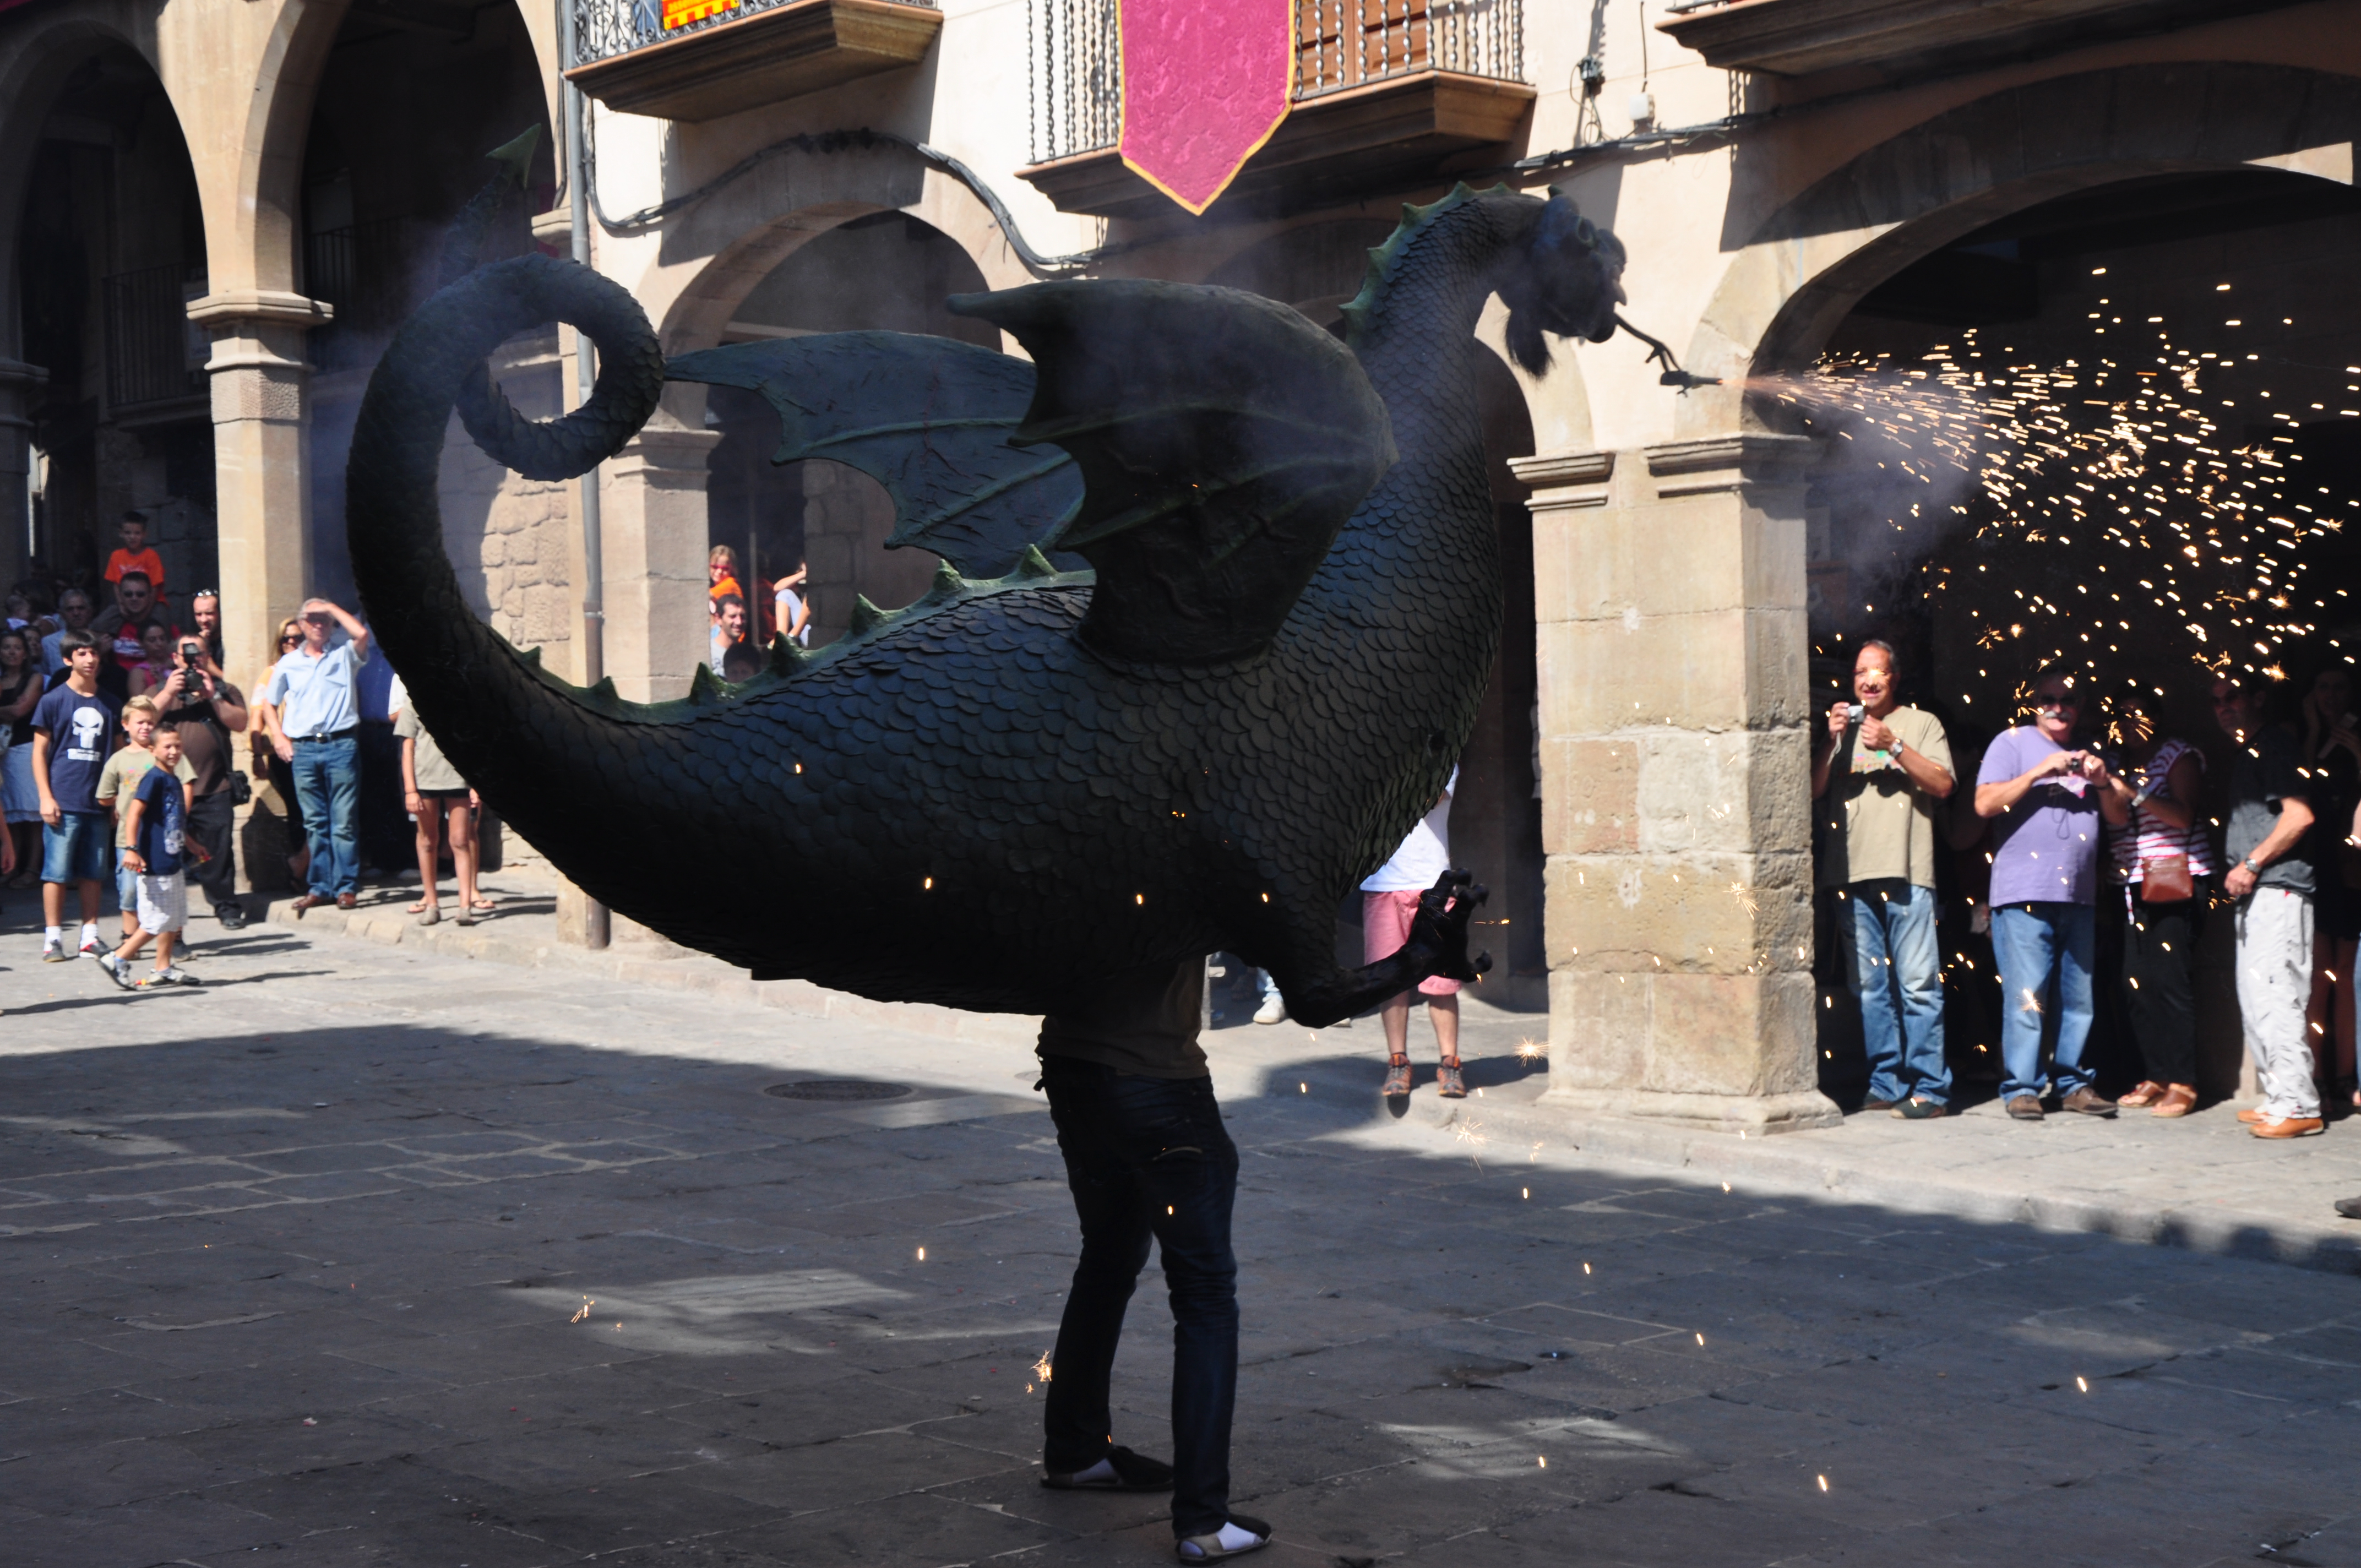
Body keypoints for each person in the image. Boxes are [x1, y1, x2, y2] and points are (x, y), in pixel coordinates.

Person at [1033, 957, 1271, 1564]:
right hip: (1159, 1080)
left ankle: (1078, 1451)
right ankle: (1203, 1520)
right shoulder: (1181, 859)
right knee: (1206, 1295)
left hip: (1072, 1063)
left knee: (1107, 1258)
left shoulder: (1073, 858)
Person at [1973, 666, 2132, 1121]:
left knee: (2077, 997)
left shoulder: (2093, 755)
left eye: (2068, 700)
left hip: (2078, 897)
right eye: (2048, 699)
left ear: (2080, 706)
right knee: (2028, 995)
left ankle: (2073, 1084)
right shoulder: (2012, 743)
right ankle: (2022, 1086)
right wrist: (2040, 771)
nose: (2058, 708)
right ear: (2033, 702)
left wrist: (2103, 782)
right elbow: (1985, 804)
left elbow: (2120, 817)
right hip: (2023, 894)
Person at [1811, 640, 1957, 1118]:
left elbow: (1943, 784)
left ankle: (1931, 1089)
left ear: (1895, 678)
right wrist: (1831, 741)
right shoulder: (1842, 731)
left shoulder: (1921, 723)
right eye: (1860, 673)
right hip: (1850, 875)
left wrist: (1894, 744)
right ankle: (1886, 1081)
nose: (1868, 681)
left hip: (1907, 872)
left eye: (1878, 672)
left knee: (1917, 985)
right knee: (1871, 988)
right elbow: (1812, 792)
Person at [2213, 673, 2321, 1138]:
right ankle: (2281, 1097)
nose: (2223, 707)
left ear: (2258, 698)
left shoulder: (2273, 743)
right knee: (2256, 998)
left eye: (2232, 696)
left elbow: (2300, 814)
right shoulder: (2254, 749)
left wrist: (2252, 863)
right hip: (2259, 890)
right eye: (2216, 701)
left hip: (2278, 887)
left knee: (2276, 995)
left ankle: (2298, 1105)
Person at [2103, 683, 2213, 1119]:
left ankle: (2183, 1081)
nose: (2132, 721)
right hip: (2128, 883)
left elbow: (2185, 815)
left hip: (2175, 880)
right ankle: (2156, 1074)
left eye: (2140, 712)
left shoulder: (2177, 755)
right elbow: (2111, 817)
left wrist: (2139, 794)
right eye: (2124, 713)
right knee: (2136, 981)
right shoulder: (2113, 764)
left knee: (2170, 981)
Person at [260, 598, 372, 914]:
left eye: (324, 620)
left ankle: (346, 886)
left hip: (341, 746)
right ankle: (320, 886)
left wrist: (332, 608)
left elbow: (361, 635)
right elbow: (270, 703)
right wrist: (279, 737)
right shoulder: (289, 664)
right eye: (312, 620)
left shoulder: (344, 655)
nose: (318, 624)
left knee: (344, 822)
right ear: (303, 625)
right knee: (315, 823)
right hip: (305, 749)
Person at [1365, 767, 1465, 1099]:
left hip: (1432, 883)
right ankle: (1398, 1061)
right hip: (1383, 883)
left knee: (1442, 982)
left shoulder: (1443, 757)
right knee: (1391, 982)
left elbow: (1428, 797)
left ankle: (1450, 1064)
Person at [152, 631, 251, 929]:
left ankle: (226, 906)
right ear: (175, 659)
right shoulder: (161, 690)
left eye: (199, 655)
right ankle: (165, 916)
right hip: (170, 789)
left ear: (208, 657)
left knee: (218, 851)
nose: (193, 661)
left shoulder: (224, 689)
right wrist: (169, 692)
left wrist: (213, 697)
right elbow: (142, 723)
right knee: (166, 852)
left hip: (213, 785)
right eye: (187, 656)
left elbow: (241, 722)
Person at [30, 630, 116, 960]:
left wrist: (117, 800)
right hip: (62, 799)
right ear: (68, 660)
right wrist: (45, 796)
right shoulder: (53, 700)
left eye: (94, 653)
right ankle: (53, 937)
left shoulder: (110, 703)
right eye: (82, 653)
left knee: (93, 871)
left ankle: (90, 936)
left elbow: (117, 757)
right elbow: (39, 753)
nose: (90, 659)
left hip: (97, 801)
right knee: (56, 870)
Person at [2299, 661, 2359, 1114]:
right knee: (2321, 975)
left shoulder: (2356, 740)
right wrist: (2315, 730)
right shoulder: (2306, 740)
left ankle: (2346, 1075)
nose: (2332, 696)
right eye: (2324, 687)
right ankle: (2318, 1075)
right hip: (2317, 868)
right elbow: (2297, 790)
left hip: (2352, 869)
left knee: (2348, 975)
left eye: (2340, 688)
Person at [98, 725, 195, 990]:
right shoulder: (153, 779)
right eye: (168, 747)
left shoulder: (173, 779)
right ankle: (117, 958)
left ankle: (163, 968)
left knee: (173, 917)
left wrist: (193, 845)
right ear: (152, 750)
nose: (174, 751)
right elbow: (134, 814)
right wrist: (131, 848)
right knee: (157, 920)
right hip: (154, 862)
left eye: (177, 745)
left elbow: (174, 820)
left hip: (172, 859)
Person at [391, 678, 485, 927]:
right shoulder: (413, 703)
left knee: (460, 841)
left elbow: (473, 747)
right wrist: (411, 790)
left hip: (457, 780)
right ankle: (432, 902)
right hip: (425, 782)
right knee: (427, 841)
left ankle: (465, 905)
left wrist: (476, 785)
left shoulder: (463, 705)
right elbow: (407, 749)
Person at [90, 569, 173, 696]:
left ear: (150, 596)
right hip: (117, 688)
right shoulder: (109, 624)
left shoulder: (163, 627)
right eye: (129, 594)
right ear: (120, 597)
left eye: (140, 594)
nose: (134, 598)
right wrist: (99, 653)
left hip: (152, 688)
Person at [1, 627, 42, 885]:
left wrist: (8, 710)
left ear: (26, 653)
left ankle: (32, 869)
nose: (12, 652)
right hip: (2, 753)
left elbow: (21, 710)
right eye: (7, 647)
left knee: (32, 813)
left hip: (24, 748)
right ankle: (11, 867)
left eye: (18, 647)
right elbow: (12, 710)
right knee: (10, 813)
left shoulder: (34, 678)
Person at [102, 513, 167, 608]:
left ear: (144, 534)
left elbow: (155, 587)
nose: (132, 537)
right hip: (126, 603)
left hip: (152, 603)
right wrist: (121, 606)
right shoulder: (116, 556)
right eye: (128, 533)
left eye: (137, 533)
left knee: (161, 620)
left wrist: (146, 611)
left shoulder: (151, 556)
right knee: (102, 622)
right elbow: (116, 585)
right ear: (121, 533)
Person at [40, 588, 93, 678]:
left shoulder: (101, 638)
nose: (76, 613)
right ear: (61, 614)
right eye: (70, 609)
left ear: (89, 611)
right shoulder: (48, 643)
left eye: (81, 608)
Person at [127, 620, 177, 700]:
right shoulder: (139, 672)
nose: (159, 644)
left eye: (162, 638)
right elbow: (139, 706)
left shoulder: (177, 663)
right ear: (141, 643)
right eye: (152, 640)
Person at [773, 562, 812, 647]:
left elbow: (808, 607)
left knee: (808, 597)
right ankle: (781, 639)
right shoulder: (801, 581)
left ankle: (788, 640)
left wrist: (792, 636)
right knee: (784, 594)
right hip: (805, 633)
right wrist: (804, 574)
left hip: (814, 634)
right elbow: (777, 588)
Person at [710, 593, 748, 671]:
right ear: (718, 619)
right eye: (733, 616)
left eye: (742, 616)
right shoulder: (709, 653)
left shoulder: (748, 654)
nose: (739, 622)